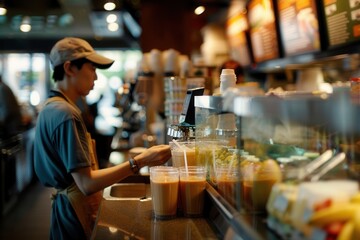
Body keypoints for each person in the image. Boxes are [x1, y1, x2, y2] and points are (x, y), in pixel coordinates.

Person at [33, 37, 171, 240]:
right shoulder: (66, 113)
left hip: (67, 209)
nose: (96, 78)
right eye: (92, 69)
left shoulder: (52, 107)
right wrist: (141, 160)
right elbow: (86, 183)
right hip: (73, 214)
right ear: (70, 68)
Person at [0, 75, 23, 139]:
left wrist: (1, 121)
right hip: (12, 127)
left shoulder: (2, 88)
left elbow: (6, 111)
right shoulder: (4, 87)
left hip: (11, 128)